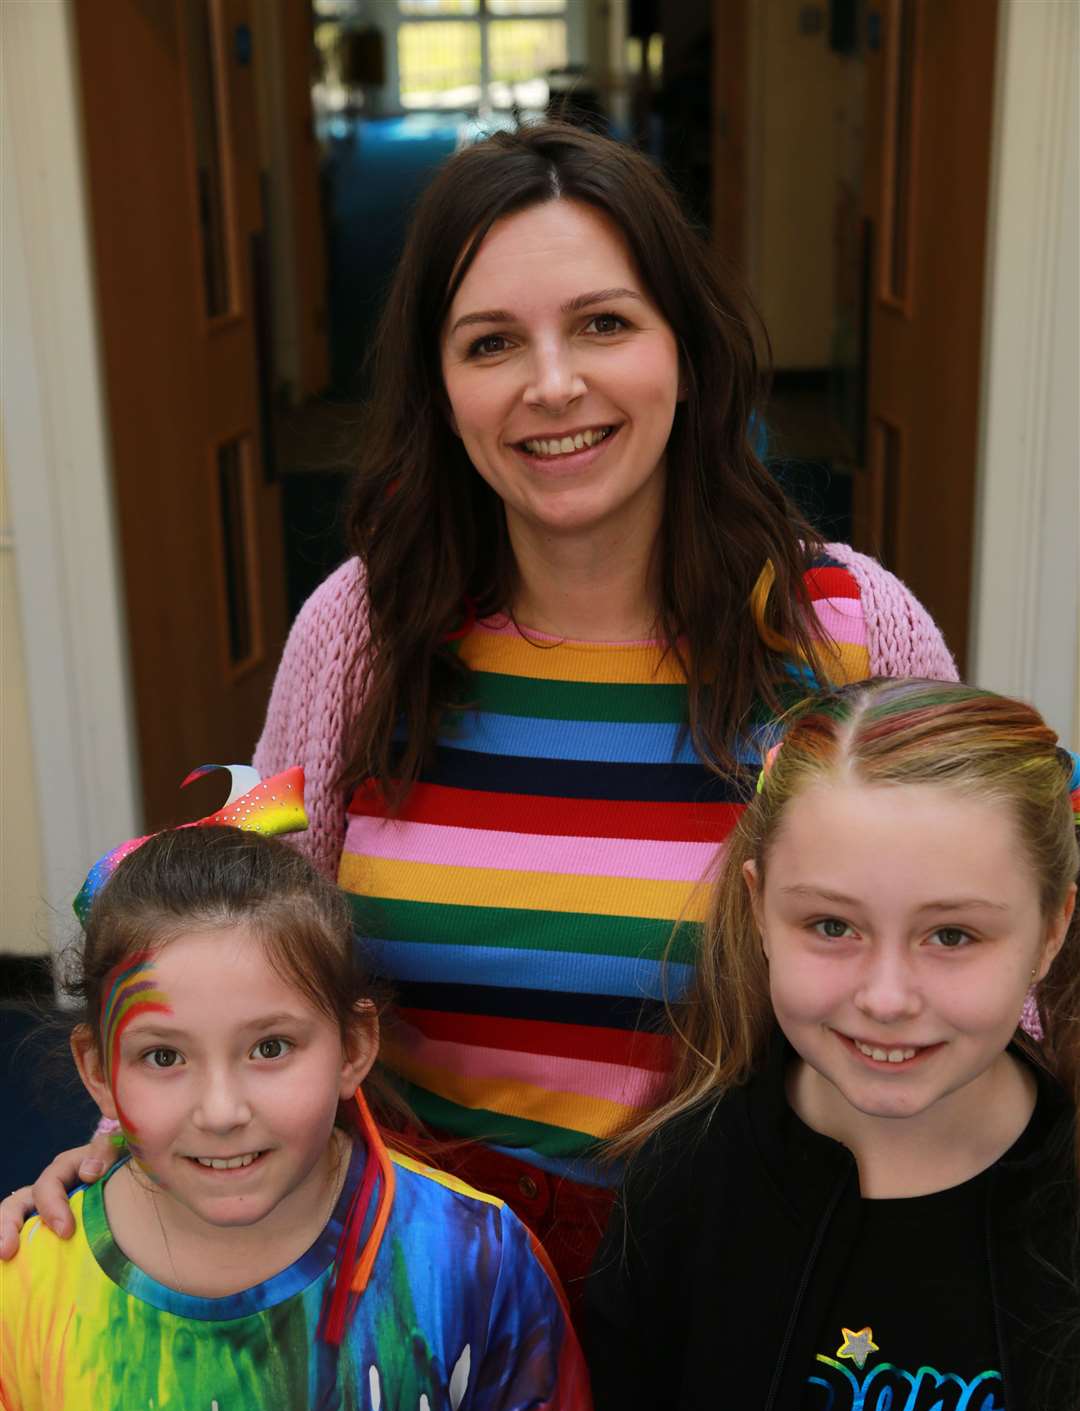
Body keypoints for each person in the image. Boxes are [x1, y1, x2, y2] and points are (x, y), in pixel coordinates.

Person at [0, 123, 957, 1299]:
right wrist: (137, 1142)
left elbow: (974, 978)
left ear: (688, 351)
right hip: (421, 1304)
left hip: (756, 1296)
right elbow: (234, 954)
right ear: (440, 387)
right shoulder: (365, 629)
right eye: (492, 342)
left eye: (605, 323)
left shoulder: (851, 630)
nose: (552, 385)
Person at [0, 823, 594, 1411]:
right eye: (163, 1057)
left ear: (354, 1046)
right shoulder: (26, 1289)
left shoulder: (473, 1263)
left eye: (270, 1047)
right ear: (99, 1073)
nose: (221, 1110)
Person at [579, 678, 1080, 1411]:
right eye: (832, 927)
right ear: (761, 909)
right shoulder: (684, 1193)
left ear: (1050, 930)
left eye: (953, 934)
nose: (887, 996)